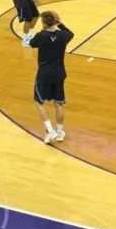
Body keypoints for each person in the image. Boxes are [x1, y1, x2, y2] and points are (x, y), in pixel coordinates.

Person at [30, 11, 72, 144]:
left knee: (38, 101)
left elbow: (31, 43)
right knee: (59, 103)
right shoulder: (64, 35)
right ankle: (60, 133)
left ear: (44, 23)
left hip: (44, 74)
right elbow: (70, 33)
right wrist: (61, 25)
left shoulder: (41, 36)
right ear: (56, 21)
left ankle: (50, 130)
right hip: (59, 73)